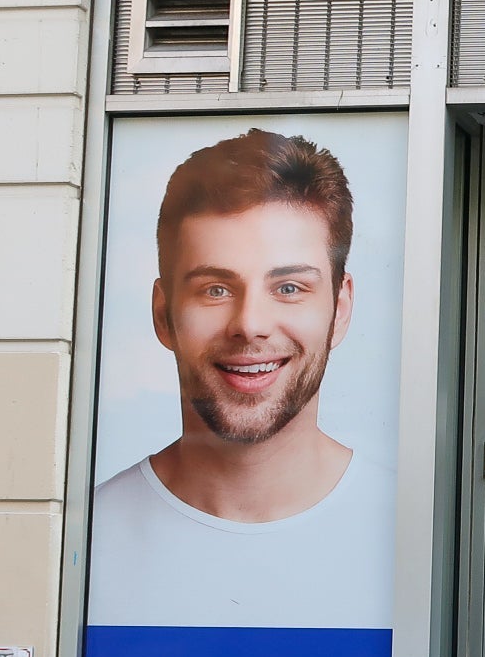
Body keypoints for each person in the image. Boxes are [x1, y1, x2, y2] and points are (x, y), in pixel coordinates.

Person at [89, 128, 389, 628]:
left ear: (339, 309)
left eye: (288, 287)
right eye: (215, 289)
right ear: (163, 314)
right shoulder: (81, 539)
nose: (249, 325)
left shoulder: (412, 532)